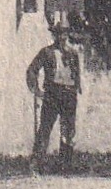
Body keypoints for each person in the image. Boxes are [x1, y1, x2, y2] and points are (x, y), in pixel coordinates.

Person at [26, 25, 83, 170]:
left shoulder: (73, 54)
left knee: (68, 129)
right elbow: (32, 70)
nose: (61, 38)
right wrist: (36, 89)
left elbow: (76, 73)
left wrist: (76, 87)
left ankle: (65, 163)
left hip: (69, 94)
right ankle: (38, 162)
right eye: (58, 35)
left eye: (64, 35)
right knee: (45, 127)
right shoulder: (47, 52)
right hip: (52, 94)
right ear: (54, 36)